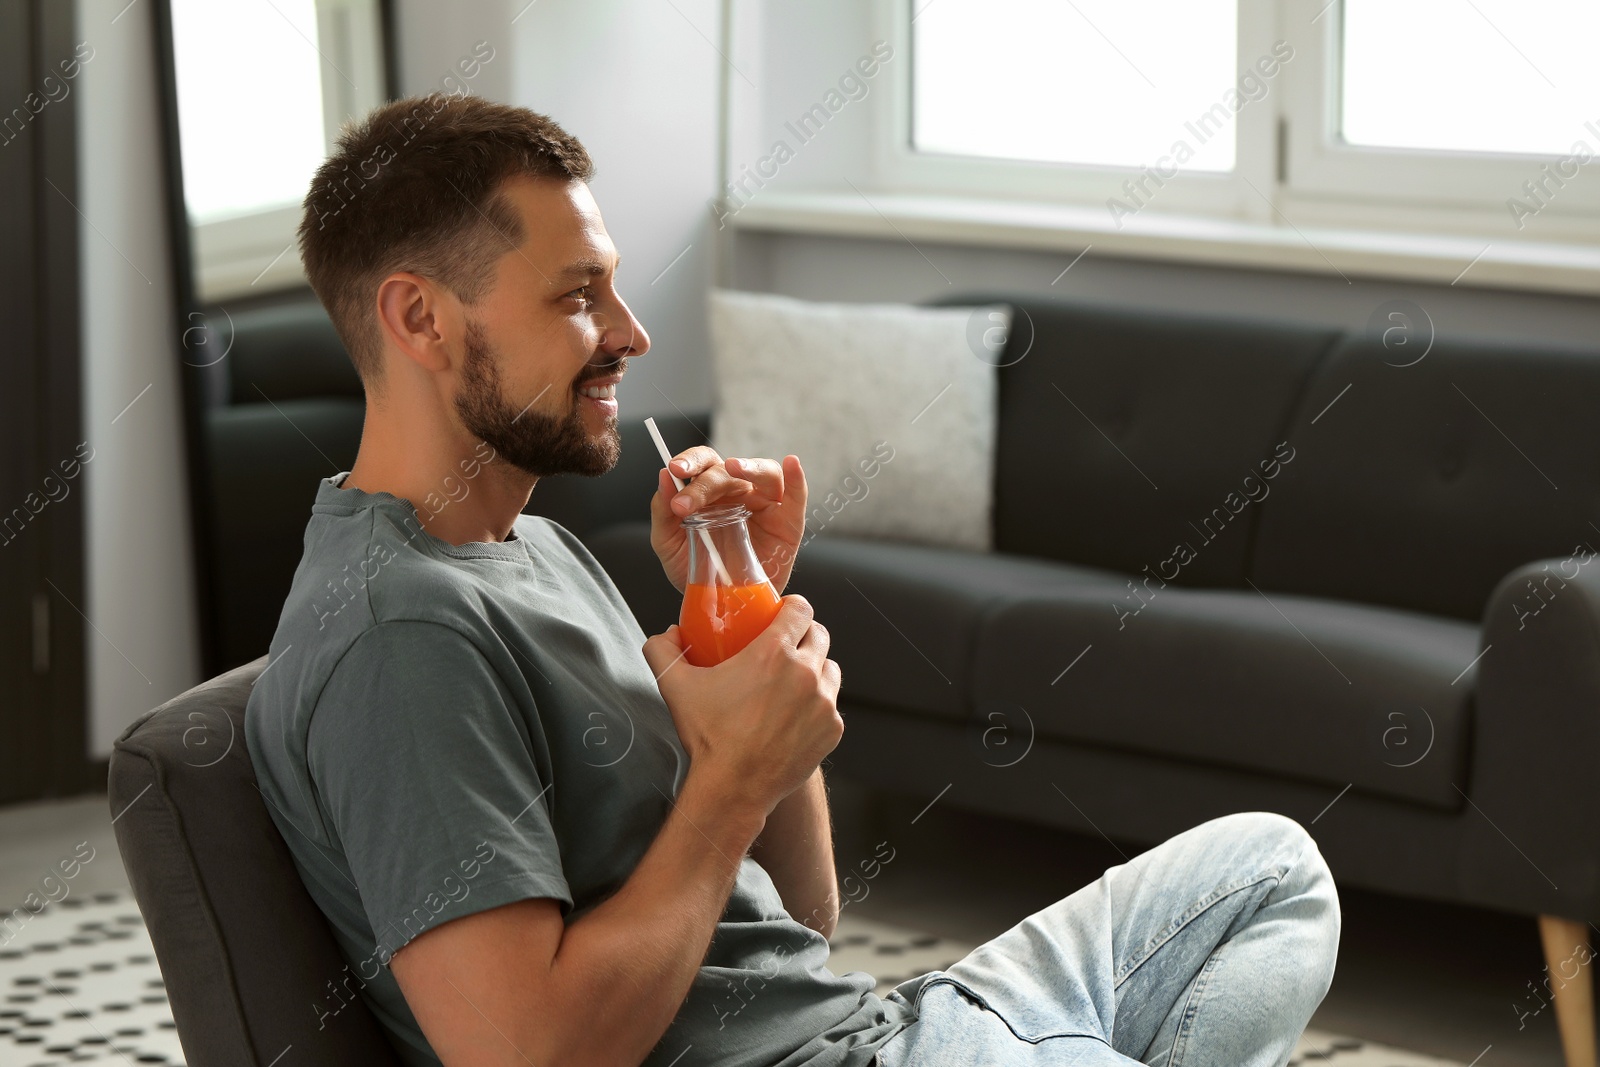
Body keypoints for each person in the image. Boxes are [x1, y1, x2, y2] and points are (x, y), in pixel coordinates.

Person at [245, 93, 1340, 1067]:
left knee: (1272, 869)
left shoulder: (530, 550)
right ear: (420, 318)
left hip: (887, 1022)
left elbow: (803, 926)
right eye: (579, 295)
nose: (630, 333)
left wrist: (743, 616)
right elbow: (524, 1052)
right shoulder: (399, 634)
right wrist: (726, 780)